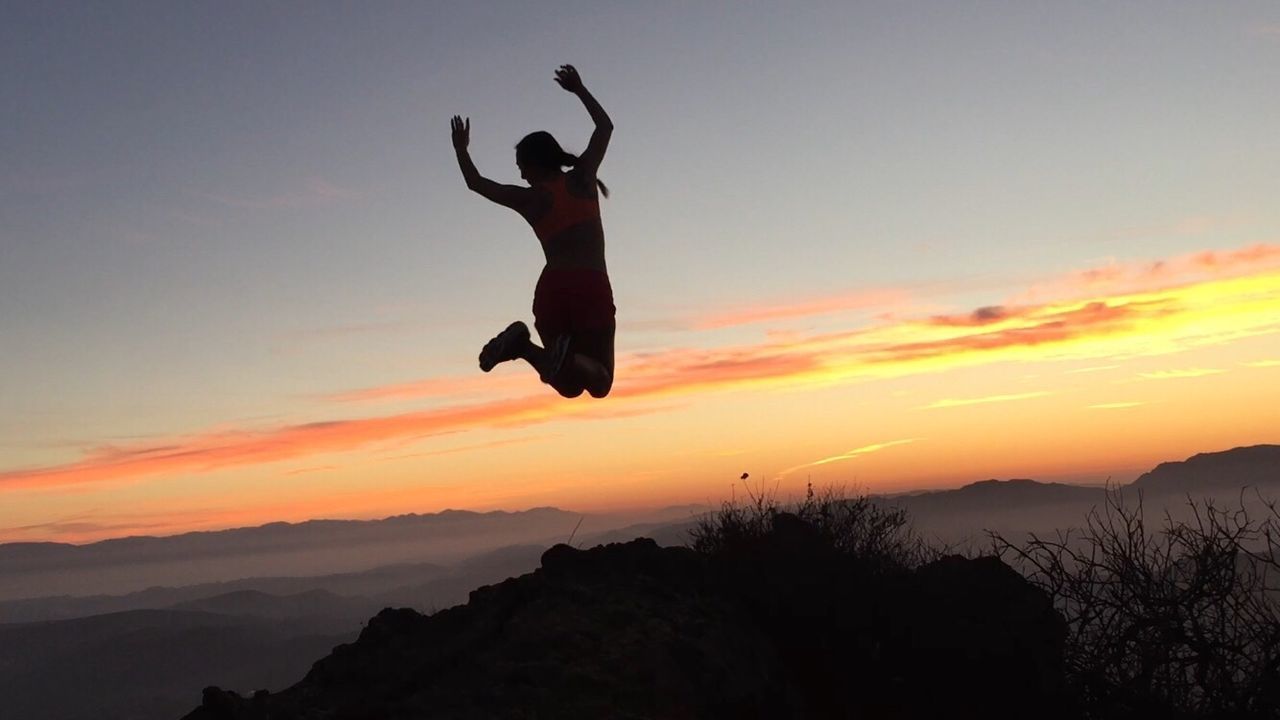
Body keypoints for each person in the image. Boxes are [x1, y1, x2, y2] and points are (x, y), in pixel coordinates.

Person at [451, 64, 615, 399]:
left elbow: (475, 183)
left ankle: (523, 347)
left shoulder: (529, 199)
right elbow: (605, 127)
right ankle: (538, 351)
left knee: (568, 384)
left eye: (522, 167)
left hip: (552, 290)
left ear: (536, 162)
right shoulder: (582, 178)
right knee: (600, 383)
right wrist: (579, 89)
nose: (523, 176)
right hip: (590, 285)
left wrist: (461, 150)